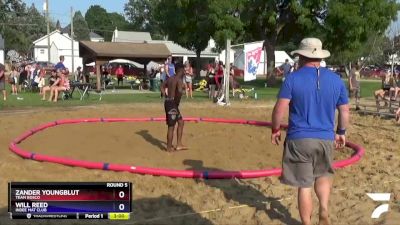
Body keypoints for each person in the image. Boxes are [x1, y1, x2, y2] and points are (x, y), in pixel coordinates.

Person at [271, 37, 349, 225]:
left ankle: (306, 223)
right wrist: (341, 131)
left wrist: (275, 129)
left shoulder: (292, 79)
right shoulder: (336, 80)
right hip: (325, 138)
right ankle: (323, 208)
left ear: (301, 56)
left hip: (299, 139)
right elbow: (345, 110)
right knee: (323, 175)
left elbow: (279, 109)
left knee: (304, 185)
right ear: (320, 57)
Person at [161, 62, 187, 152]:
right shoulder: (179, 79)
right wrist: (177, 101)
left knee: (181, 122)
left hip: (169, 102)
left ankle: (179, 144)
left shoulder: (170, 78)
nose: (185, 72)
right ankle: (168, 147)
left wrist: (165, 95)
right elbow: (179, 91)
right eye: (184, 70)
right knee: (171, 126)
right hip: (173, 103)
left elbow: (162, 86)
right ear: (181, 70)